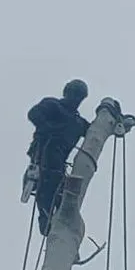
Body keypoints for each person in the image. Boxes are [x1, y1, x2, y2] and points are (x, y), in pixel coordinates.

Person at [26, 79, 90, 235]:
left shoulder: (77, 122)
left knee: (59, 189)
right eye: (74, 94)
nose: (75, 98)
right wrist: (49, 128)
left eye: (79, 96)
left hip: (58, 161)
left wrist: (114, 117)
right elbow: (34, 113)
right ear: (66, 92)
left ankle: (61, 222)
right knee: (48, 184)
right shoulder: (54, 106)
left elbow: (94, 130)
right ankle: (46, 219)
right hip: (45, 154)